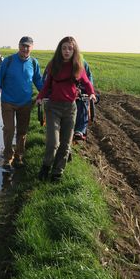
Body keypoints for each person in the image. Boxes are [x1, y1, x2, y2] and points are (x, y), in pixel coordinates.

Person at [36, 37, 96, 181]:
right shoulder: (53, 65)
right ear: (60, 50)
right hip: (53, 108)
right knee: (53, 143)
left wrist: (92, 93)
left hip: (70, 109)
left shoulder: (78, 67)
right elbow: (46, 85)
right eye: (64, 48)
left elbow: (87, 83)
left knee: (66, 144)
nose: (67, 51)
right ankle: (46, 166)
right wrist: (39, 97)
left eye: (70, 48)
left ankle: (57, 173)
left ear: (74, 50)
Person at [0, 37, 43, 170]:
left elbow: (38, 81)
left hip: (25, 103)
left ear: (32, 47)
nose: (25, 49)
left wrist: (46, 95)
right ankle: (8, 157)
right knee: (9, 129)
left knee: (22, 131)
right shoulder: (8, 61)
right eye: (23, 46)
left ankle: (19, 156)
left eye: (28, 46)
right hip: (8, 101)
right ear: (19, 46)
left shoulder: (34, 63)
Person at [73, 60, 95, 141]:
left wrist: (89, 92)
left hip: (80, 91)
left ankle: (80, 130)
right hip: (63, 92)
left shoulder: (82, 63)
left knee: (83, 102)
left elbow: (88, 79)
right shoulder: (57, 62)